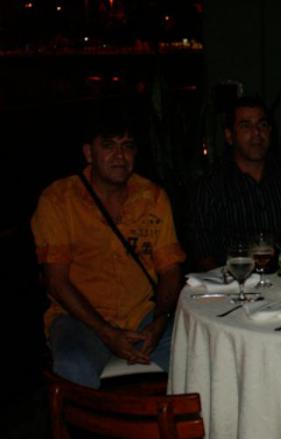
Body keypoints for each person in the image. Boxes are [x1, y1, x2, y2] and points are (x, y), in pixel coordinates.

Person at [31, 107, 186, 390]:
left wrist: (160, 320)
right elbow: (56, 281)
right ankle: (83, 421)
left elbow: (170, 270)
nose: (120, 156)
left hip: (142, 315)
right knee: (74, 364)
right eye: (109, 146)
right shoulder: (59, 200)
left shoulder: (152, 197)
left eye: (127, 146)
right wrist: (106, 332)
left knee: (197, 351)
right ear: (89, 153)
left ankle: (172, 419)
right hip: (80, 319)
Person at [189, 96, 281, 271]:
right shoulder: (211, 186)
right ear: (230, 136)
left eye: (262, 125)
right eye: (245, 126)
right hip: (234, 281)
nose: (256, 133)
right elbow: (203, 253)